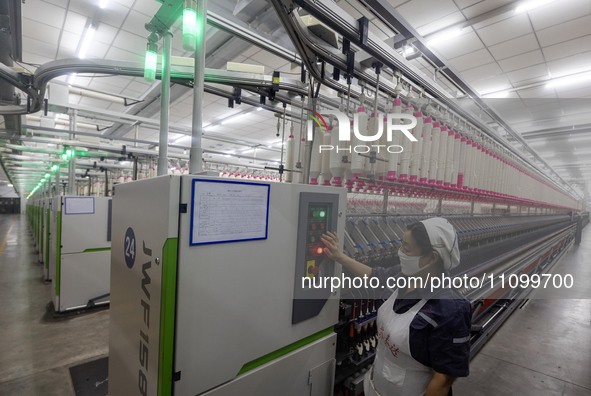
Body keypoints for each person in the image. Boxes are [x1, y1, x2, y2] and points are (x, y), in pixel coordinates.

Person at [321, 217, 471, 396]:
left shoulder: (450, 309)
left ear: (431, 257)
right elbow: (373, 275)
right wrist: (340, 257)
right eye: (401, 245)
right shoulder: (402, 278)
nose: (400, 252)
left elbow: (442, 381)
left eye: (407, 248)